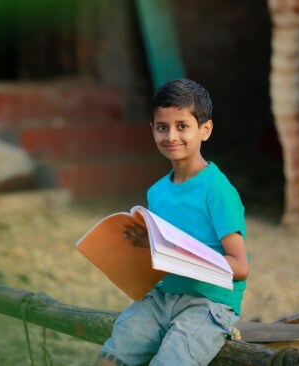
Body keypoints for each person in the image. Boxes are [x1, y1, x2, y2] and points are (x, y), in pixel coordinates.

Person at [94, 78, 249, 366]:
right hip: (161, 297)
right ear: (152, 130)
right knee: (111, 356)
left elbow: (240, 267)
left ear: (205, 129)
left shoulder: (218, 191)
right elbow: (160, 256)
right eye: (162, 127)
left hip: (209, 302)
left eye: (182, 126)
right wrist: (142, 245)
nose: (171, 136)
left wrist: (181, 254)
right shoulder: (157, 192)